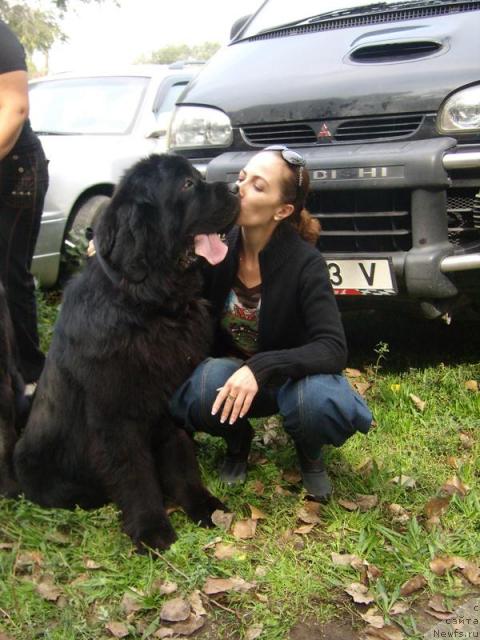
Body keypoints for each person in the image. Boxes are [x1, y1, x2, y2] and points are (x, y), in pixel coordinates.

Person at [172, 145, 373, 501]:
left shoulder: (305, 263)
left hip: (292, 382)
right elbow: (164, 236)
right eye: (242, 178)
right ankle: (237, 439)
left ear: (282, 210)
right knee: (201, 388)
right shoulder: (218, 248)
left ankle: (309, 449)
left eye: (258, 186)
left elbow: (332, 348)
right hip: (233, 378)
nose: (241, 189)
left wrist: (263, 365)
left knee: (319, 403)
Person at [0, 19, 49, 384]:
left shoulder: (2, 37)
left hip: (15, 169)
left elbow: (15, 108)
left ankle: (31, 379)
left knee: (9, 275)